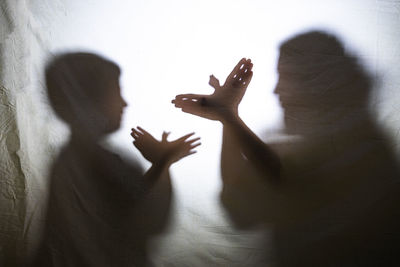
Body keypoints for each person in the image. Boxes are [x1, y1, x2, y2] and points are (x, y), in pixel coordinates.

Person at [173, 31, 400, 266]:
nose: (277, 90)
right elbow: (240, 208)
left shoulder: (365, 147)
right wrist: (228, 118)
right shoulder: (291, 148)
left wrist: (229, 117)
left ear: (321, 83)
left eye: (288, 77)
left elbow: (289, 181)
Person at [33, 52, 200, 267]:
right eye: (116, 93)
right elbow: (152, 222)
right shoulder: (97, 160)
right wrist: (163, 162)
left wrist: (161, 162)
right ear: (88, 100)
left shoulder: (70, 158)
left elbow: (127, 200)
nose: (125, 103)